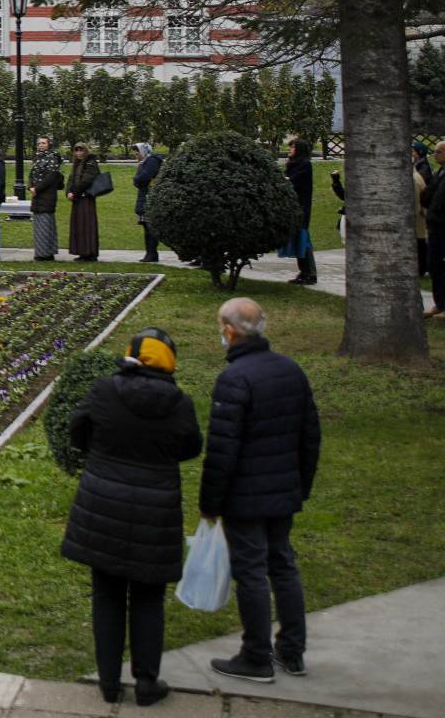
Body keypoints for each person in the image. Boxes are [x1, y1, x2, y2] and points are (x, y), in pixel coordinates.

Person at [60, 329, 203, 707]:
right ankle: (146, 681)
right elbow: (191, 446)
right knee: (148, 596)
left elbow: (77, 430)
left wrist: (103, 453)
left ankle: (109, 682)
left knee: (106, 593)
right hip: (155, 509)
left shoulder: (105, 390)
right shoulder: (178, 403)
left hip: (103, 501)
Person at [201, 297, 321, 685]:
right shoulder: (290, 370)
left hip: (246, 495)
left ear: (230, 330)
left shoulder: (235, 378)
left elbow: (222, 449)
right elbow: (310, 436)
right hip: (283, 489)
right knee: (282, 564)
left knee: (251, 570)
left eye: (221, 325)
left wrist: (210, 504)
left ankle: (256, 655)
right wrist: (300, 484)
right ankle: (293, 650)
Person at [279, 139, 316, 284]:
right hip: (294, 206)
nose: (290, 149)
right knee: (299, 239)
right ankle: (304, 271)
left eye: (292, 147)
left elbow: (292, 181)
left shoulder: (305, 165)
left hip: (301, 208)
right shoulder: (294, 164)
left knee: (303, 240)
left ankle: (310, 274)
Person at [67, 145, 102, 262]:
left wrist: (74, 193)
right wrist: (68, 192)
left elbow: (86, 181)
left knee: (87, 225)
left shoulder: (90, 163)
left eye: (81, 150)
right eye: (76, 150)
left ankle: (90, 253)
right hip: (78, 199)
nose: (78, 153)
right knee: (79, 226)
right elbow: (71, 180)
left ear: (86, 151)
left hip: (86, 199)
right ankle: (82, 252)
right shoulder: (77, 164)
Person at [32, 137, 64, 262]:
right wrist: (31, 186)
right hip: (37, 195)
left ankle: (46, 253)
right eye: (39, 143)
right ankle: (40, 252)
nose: (41, 145)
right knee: (38, 225)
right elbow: (32, 174)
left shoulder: (53, 157)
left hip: (47, 195)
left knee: (46, 224)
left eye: (43, 143)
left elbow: (51, 177)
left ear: (49, 145)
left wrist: (37, 188)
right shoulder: (37, 157)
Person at [133, 143, 165, 264]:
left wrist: (137, 179)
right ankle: (150, 253)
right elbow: (138, 180)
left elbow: (143, 177)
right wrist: (137, 180)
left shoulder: (151, 161)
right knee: (146, 227)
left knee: (150, 227)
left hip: (149, 198)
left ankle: (152, 253)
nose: (136, 155)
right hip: (144, 197)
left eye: (138, 152)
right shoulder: (144, 163)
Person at [423, 142, 445, 317]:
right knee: (434, 265)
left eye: (438, 152)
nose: (435, 154)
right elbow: (426, 196)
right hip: (434, 226)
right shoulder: (439, 173)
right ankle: (440, 303)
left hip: (442, 226)